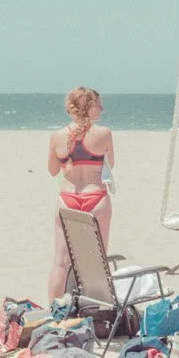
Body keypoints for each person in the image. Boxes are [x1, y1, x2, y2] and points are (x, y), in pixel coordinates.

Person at [46, 86, 116, 302]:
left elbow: (53, 171)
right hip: (95, 198)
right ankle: (98, 307)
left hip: (67, 198)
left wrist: (68, 162)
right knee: (97, 260)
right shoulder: (104, 134)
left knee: (61, 261)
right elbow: (110, 165)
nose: (101, 109)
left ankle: (54, 311)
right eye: (97, 105)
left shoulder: (57, 136)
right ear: (89, 107)